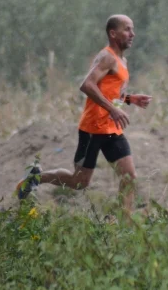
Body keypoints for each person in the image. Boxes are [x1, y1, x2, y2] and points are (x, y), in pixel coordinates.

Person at [16, 15, 152, 215]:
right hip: (92, 129)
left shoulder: (123, 60)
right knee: (79, 182)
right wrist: (113, 109)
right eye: (127, 29)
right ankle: (36, 177)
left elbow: (110, 93)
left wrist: (130, 99)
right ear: (113, 34)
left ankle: (126, 226)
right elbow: (87, 85)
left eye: (132, 29)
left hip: (112, 130)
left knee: (129, 178)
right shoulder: (107, 57)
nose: (133, 34)